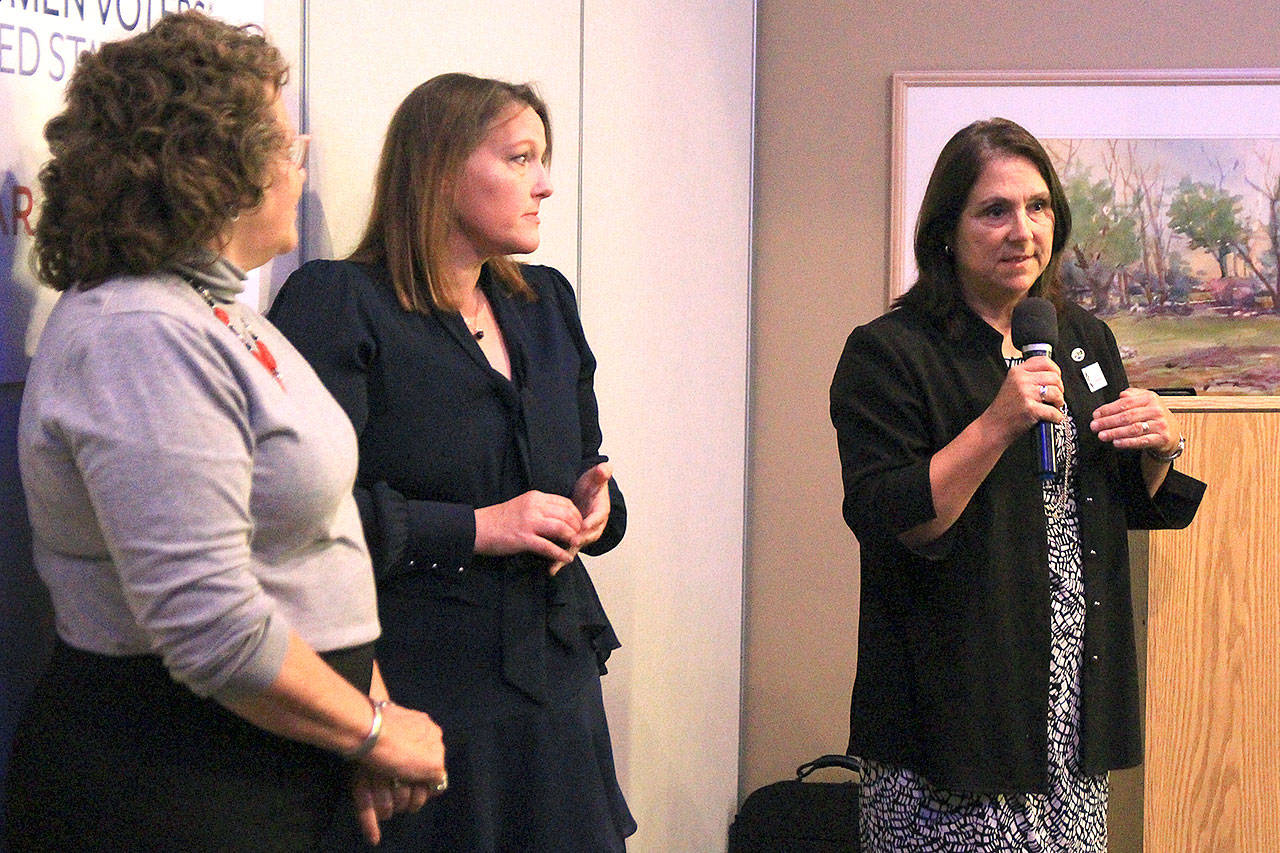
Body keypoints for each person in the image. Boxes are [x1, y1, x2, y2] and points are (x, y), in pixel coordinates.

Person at [5, 13, 447, 851]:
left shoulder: (217, 314)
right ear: (205, 165)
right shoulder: (138, 333)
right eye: (280, 138)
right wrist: (373, 732)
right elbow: (207, 624)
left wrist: (367, 707)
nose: (302, 155)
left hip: (260, 761)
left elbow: (316, 545)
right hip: (172, 781)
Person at [267, 73, 635, 851]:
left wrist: (597, 506)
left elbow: (587, 464)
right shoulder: (339, 301)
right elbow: (300, 520)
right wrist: (477, 527)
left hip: (554, 684)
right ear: (439, 169)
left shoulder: (545, 302)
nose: (544, 183)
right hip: (419, 697)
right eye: (520, 157)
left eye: (544, 158)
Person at [829, 118, 1206, 851]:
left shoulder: (1082, 340)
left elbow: (1109, 497)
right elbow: (895, 516)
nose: (1022, 230)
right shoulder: (889, 353)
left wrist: (1159, 446)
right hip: (954, 720)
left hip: (1067, 710)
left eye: (1038, 207)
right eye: (994, 210)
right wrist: (996, 422)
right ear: (946, 229)